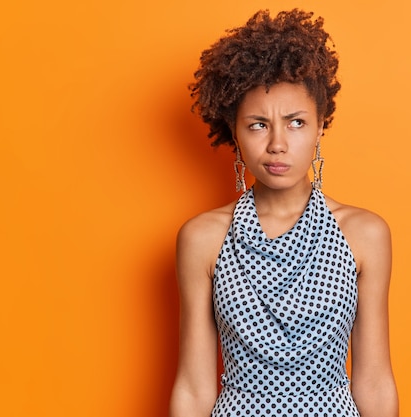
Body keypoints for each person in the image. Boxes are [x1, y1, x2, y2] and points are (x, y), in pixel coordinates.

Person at [170, 9, 398, 417]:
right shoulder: (202, 239)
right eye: (258, 125)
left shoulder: (364, 234)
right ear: (234, 132)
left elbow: (375, 380)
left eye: (295, 123)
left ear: (320, 126)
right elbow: (193, 385)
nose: (277, 143)